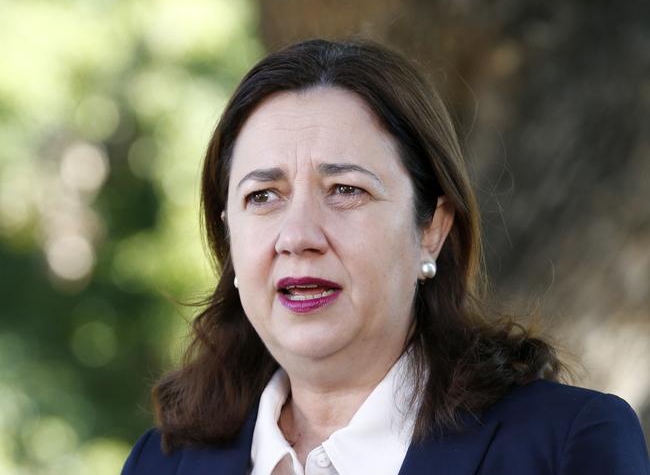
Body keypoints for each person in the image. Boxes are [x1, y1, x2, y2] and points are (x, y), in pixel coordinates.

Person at [121, 39, 650, 475]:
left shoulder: (565, 446)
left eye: (346, 189)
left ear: (432, 229)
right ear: (229, 239)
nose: (298, 235)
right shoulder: (161, 463)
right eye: (263, 197)